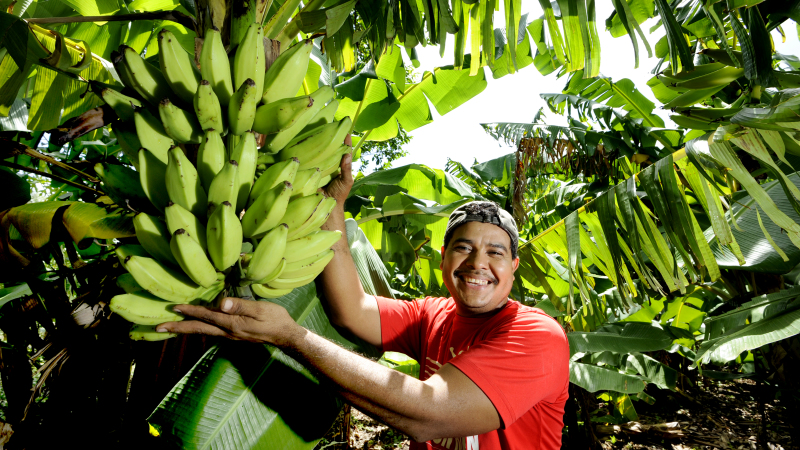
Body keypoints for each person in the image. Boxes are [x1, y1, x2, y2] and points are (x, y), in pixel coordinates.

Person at [157, 153, 570, 449]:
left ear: (514, 266)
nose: (478, 263)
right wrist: (332, 206)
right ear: (443, 259)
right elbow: (351, 310)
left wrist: (291, 337)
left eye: (495, 252)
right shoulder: (433, 315)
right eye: (464, 248)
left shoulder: (537, 336)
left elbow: (428, 414)